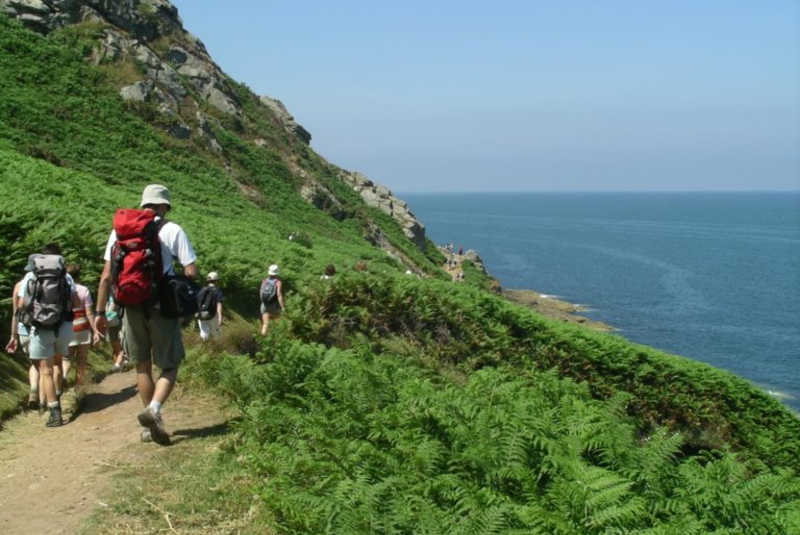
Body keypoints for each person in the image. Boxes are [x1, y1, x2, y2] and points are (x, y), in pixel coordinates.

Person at [95, 184, 197, 445]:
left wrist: (100, 311)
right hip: (162, 305)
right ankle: (154, 410)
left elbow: (107, 275)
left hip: (130, 305)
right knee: (170, 364)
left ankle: (148, 428)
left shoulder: (119, 232)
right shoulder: (172, 229)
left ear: (143, 204)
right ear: (165, 206)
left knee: (142, 364)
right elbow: (191, 271)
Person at [13, 245, 76, 427]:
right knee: (58, 363)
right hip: (63, 326)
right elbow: (75, 301)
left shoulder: (31, 276)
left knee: (45, 370)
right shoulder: (66, 276)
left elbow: (21, 302)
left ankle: (55, 412)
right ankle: (58, 393)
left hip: (40, 328)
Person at [5, 257, 43, 411]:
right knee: (45, 365)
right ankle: (43, 400)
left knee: (34, 363)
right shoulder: (47, 283)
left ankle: (33, 389)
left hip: (23, 328)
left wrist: (13, 336)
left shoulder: (18, 286)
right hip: (42, 327)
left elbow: (16, 313)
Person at [64, 264, 100, 402]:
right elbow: (90, 313)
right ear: (79, 275)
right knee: (81, 361)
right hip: (83, 328)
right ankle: (78, 390)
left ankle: (63, 378)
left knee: (66, 359)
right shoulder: (84, 290)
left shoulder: (63, 290)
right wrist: (95, 330)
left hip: (67, 327)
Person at [196, 271, 223, 342]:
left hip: (200, 314)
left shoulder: (202, 289)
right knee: (215, 334)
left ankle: (204, 349)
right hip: (212, 315)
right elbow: (219, 304)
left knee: (204, 334)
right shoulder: (217, 290)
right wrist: (220, 316)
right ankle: (216, 350)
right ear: (216, 281)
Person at [259, 264, 284, 336]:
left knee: (265, 324)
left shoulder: (264, 281)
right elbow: (279, 295)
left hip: (264, 305)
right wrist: (282, 307)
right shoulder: (278, 282)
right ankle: (276, 338)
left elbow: (260, 292)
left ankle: (263, 339)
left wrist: (264, 301)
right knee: (279, 320)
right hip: (273, 306)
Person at [105, 296, 127, 373]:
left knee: (119, 344)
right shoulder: (109, 295)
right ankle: (120, 364)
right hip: (112, 321)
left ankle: (118, 364)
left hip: (115, 321)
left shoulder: (114, 295)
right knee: (115, 345)